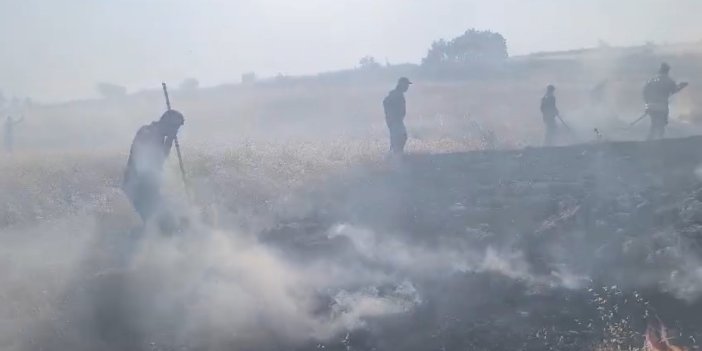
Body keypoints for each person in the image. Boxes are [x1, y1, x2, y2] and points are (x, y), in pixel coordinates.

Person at [122, 110, 185, 222]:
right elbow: (153, 161)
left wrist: (169, 140)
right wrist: (169, 140)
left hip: (147, 187)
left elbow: (160, 160)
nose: (175, 132)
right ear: (167, 123)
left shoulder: (159, 135)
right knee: (157, 219)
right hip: (137, 186)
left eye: (177, 129)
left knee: (169, 216)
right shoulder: (147, 132)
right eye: (174, 128)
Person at [643, 62, 688, 140]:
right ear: (667, 71)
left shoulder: (651, 80)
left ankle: (650, 140)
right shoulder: (668, 80)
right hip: (661, 107)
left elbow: (644, 91)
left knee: (654, 124)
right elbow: (674, 90)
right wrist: (682, 86)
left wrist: (647, 104)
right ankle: (658, 142)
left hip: (650, 106)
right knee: (660, 125)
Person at [383, 77, 412, 155]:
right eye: (406, 84)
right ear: (401, 84)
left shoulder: (398, 94)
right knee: (399, 138)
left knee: (399, 138)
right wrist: (391, 116)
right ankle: (394, 157)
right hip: (395, 121)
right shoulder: (396, 94)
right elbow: (386, 102)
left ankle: (395, 156)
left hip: (397, 120)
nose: (407, 87)